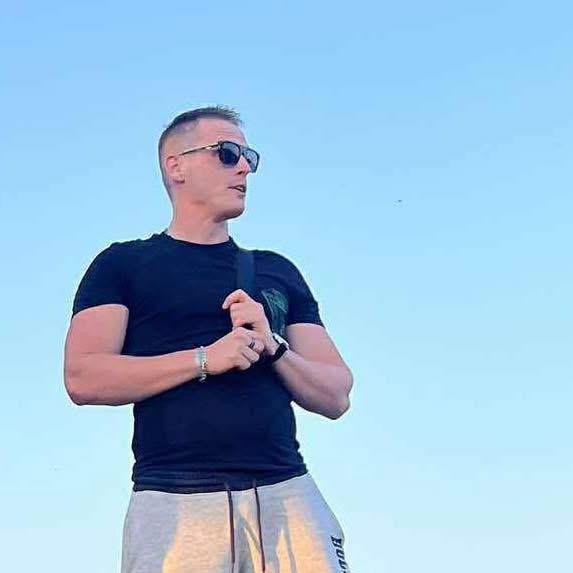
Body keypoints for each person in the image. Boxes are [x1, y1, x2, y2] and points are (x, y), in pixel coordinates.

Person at [63, 106, 353, 573]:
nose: (244, 168)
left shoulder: (276, 271)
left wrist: (274, 347)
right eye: (227, 153)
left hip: (287, 495)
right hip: (174, 500)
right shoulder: (123, 264)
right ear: (175, 166)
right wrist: (204, 359)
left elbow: (337, 394)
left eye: (249, 158)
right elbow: (83, 376)